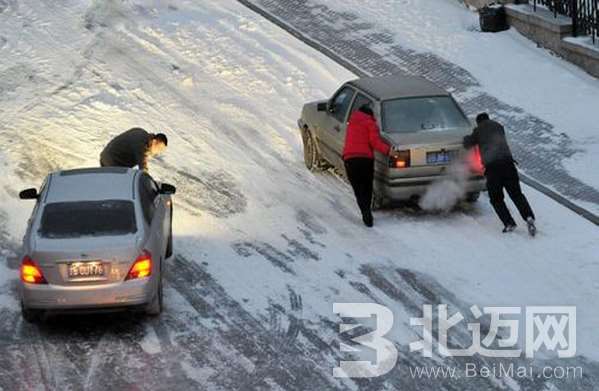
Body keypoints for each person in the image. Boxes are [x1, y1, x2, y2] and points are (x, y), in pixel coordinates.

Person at [463, 113, 537, 236]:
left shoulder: (479, 129)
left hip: (493, 168)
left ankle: (509, 223)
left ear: (478, 122)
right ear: (488, 118)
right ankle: (528, 217)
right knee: (517, 194)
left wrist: (466, 138)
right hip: (509, 165)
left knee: (496, 198)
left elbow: (468, 143)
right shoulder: (498, 126)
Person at [343, 105, 392, 228]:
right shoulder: (370, 123)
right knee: (367, 186)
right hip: (365, 159)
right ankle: (367, 212)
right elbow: (374, 142)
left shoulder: (351, 123)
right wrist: (388, 151)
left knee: (358, 188)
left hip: (350, 159)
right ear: (370, 115)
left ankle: (364, 211)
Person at [100, 128, 168, 172]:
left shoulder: (141, 132)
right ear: (154, 141)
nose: (159, 152)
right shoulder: (143, 144)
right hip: (113, 162)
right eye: (159, 148)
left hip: (106, 158)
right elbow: (143, 168)